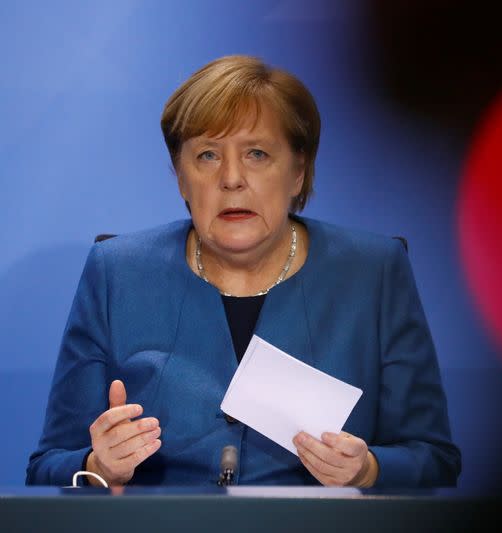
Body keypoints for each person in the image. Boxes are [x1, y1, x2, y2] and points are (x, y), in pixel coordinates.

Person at [26, 55, 460, 488]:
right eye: (208, 155)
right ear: (180, 176)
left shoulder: (373, 273)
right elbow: (48, 464)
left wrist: (366, 469)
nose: (232, 178)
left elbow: (434, 457)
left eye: (257, 153)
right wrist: (101, 465)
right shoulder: (116, 274)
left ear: (297, 171)